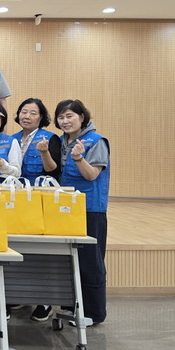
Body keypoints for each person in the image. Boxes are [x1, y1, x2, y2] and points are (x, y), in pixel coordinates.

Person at [55, 99, 110, 326]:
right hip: (66, 209)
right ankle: (72, 307)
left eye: (69, 116)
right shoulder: (61, 141)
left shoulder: (97, 141)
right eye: (61, 117)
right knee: (69, 260)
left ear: (82, 117)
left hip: (90, 209)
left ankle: (94, 313)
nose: (65, 121)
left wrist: (78, 158)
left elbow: (92, 175)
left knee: (90, 261)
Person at [11, 97, 61, 322]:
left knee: (41, 251)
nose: (27, 116)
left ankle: (45, 301)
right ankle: (21, 294)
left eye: (33, 113)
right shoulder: (12, 139)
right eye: (24, 111)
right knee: (19, 248)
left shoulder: (50, 138)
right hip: (17, 201)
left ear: (41, 118)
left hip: (41, 201)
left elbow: (53, 170)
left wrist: (44, 152)